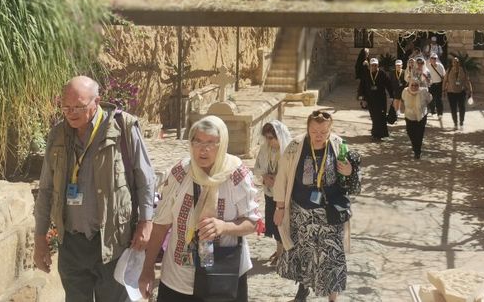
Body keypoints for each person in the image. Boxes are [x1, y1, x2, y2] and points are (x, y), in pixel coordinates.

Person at [33, 76, 156, 302]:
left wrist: (146, 222)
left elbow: (145, 179)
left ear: (96, 101)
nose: (71, 113)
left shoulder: (123, 127)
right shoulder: (58, 134)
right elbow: (46, 189)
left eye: (78, 107)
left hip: (113, 241)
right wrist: (40, 238)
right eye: (66, 107)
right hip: (72, 243)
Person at [139, 116, 261, 301]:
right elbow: (161, 224)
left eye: (211, 143)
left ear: (222, 144)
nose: (203, 149)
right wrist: (147, 269)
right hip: (179, 278)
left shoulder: (237, 174)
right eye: (198, 142)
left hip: (223, 276)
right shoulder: (180, 173)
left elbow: (252, 222)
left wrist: (224, 227)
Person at [274, 110, 359, 302]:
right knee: (304, 252)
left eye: (323, 132)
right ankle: (302, 291)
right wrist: (280, 208)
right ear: (307, 129)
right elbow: (282, 178)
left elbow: (352, 179)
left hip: (330, 212)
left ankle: (332, 298)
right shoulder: (295, 146)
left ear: (330, 130)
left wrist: (349, 170)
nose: (318, 136)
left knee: (332, 256)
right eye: (314, 131)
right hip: (302, 211)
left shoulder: (338, 145)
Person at [253, 120, 292, 265]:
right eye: (267, 138)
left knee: (283, 223)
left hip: (285, 194)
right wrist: (265, 177)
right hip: (269, 192)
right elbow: (257, 167)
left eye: (271, 138)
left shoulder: (290, 151)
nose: (269, 141)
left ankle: (284, 253)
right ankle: (279, 250)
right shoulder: (265, 149)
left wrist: (279, 179)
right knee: (274, 222)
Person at [359, 57, 392, 142]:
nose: (374, 67)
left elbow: (388, 84)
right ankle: (375, 134)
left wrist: (392, 96)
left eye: (375, 65)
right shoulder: (366, 74)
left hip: (381, 99)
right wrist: (362, 98)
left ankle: (380, 134)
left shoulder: (382, 73)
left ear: (378, 65)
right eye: (372, 65)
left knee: (381, 116)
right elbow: (361, 86)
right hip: (370, 99)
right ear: (370, 66)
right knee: (374, 117)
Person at [402, 79, 433, 160]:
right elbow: (403, 99)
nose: (414, 87)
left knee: (419, 135)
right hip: (409, 116)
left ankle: (417, 151)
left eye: (416, 85)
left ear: (419, 86)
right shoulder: (405, 91)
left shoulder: (423, 91)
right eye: (412, 85)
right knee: (410, 133)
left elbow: (429, 99)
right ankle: (415, 146)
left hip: (421, 116)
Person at [444, 56, 474, 130]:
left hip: (461, 92)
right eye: (454, 62)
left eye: (457, 62)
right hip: (451, 92)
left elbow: (467, 81)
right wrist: (443, 90)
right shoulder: (449, 70)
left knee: (462, 108)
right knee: (453, 109)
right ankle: (455, 123)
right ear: (452, 63)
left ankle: (461, 123)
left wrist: (470, 91)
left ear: (459, 63)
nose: (455, 63)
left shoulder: (463, 70)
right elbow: (445, 81)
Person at [427, 53, 446, 118]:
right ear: (430, 59)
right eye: (432, 58)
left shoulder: (440, 66)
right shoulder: (427, 66)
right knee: (431, 99)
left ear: (437, 59)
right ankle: (433, 111)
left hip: (439, 84)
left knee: (439, 99)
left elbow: (444, 75)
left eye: (435, 58)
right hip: (431, 85)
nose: (433, 59)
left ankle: (440, 113)